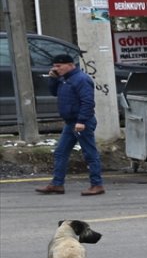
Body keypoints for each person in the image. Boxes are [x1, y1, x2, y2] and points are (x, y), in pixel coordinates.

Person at [35, 54, 105, 196]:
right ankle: (57, 184)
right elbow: (54, 93)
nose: (56, 69)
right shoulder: (64, 79)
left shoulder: (81, 79)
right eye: (55, 66)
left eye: (59, 66)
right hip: (70, 122)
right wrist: (53, 79)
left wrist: (82, 121)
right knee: (60, 152)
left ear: (70, 65)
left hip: (81, 122)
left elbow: (88, 102)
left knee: (89, 153)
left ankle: (97, 185)